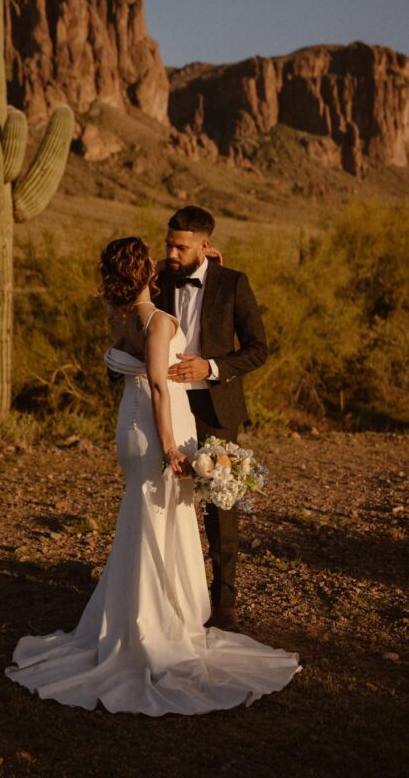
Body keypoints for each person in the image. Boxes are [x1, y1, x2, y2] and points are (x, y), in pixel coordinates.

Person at [6, 237, 299, 715]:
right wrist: (168, 445)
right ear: (148, 272)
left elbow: (141, 353)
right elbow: (162, 385)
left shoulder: (119, 313)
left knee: (145, 515)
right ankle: (157, 621)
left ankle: (136, 612)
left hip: (130, 422)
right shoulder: (159, 320)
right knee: (165, 515)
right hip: (158, 425)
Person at [155, 206, 267, 632]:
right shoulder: (160, 279)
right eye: (168, 243)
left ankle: (224, 604)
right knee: (163, 496)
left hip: (216, 407)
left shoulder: (233, 283)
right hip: (166, 404)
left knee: (222, 504)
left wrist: (212, 367)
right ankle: (170, 595)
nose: (171, 251)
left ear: (204, 245)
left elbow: (258, 348)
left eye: (181, 246)